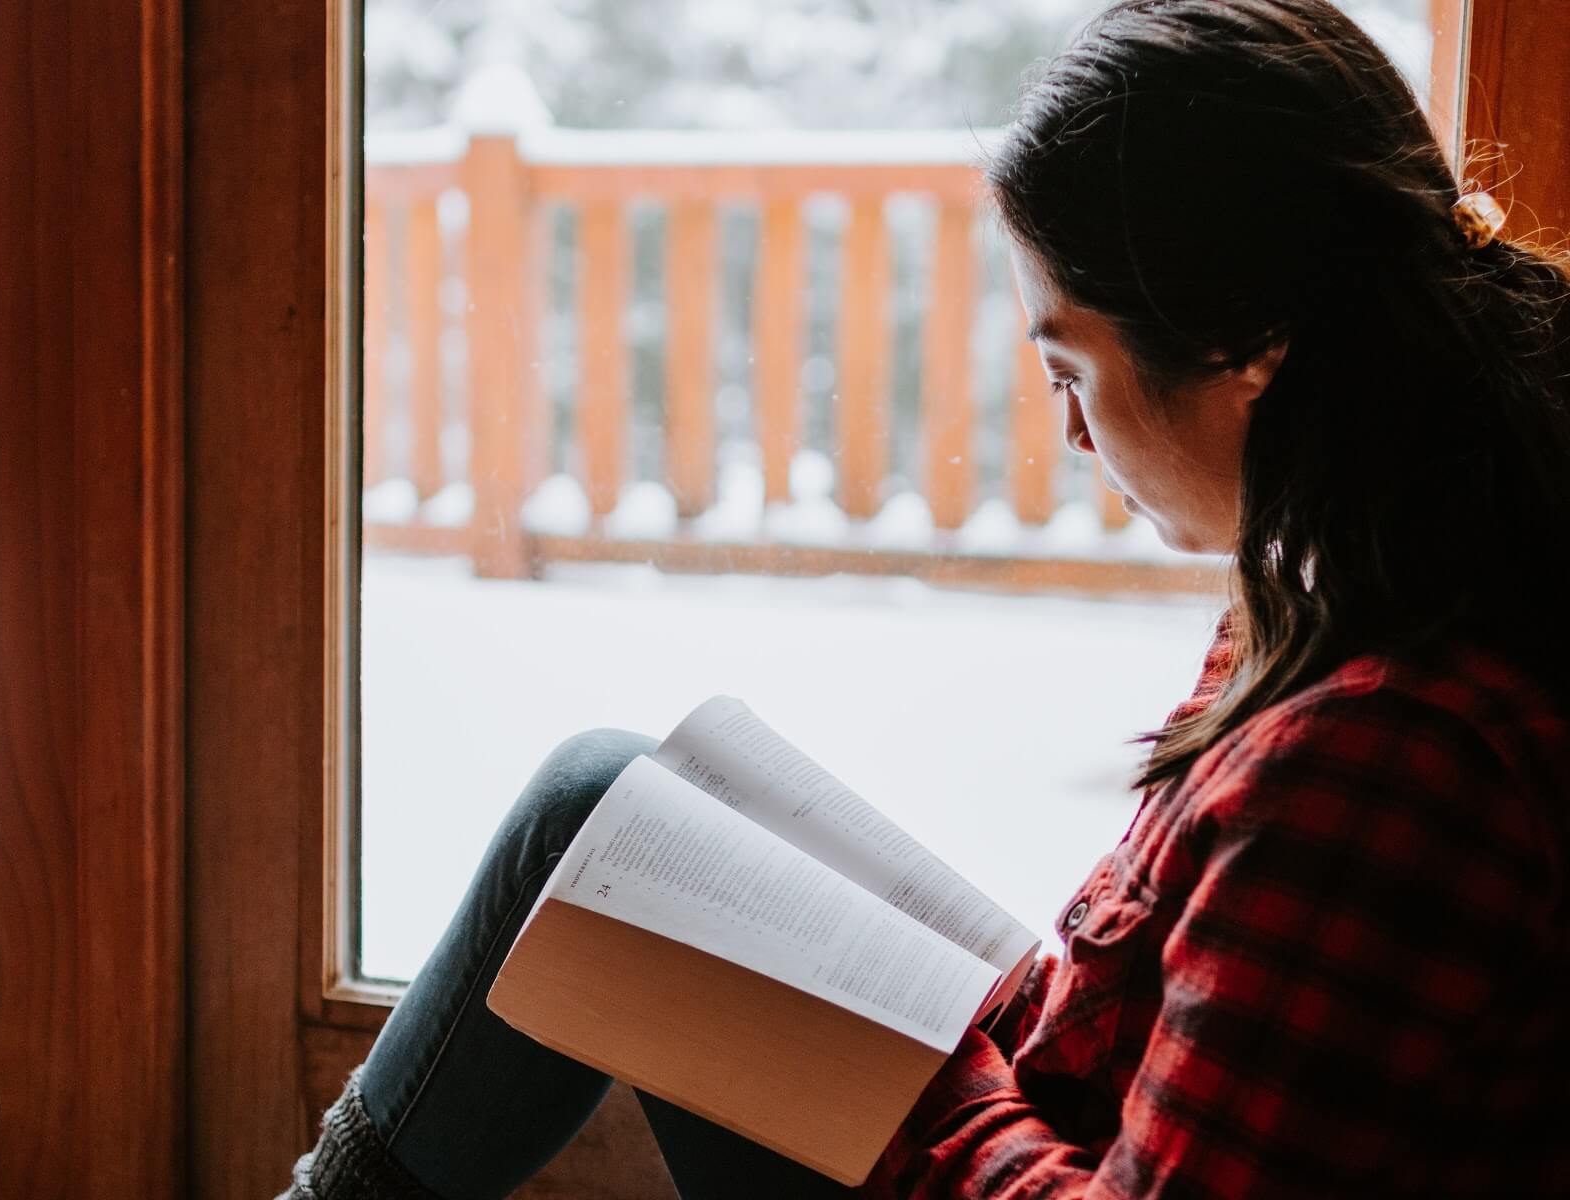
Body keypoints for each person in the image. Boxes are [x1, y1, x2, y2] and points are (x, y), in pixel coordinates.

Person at [282, 0, 1570, 1195]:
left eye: (1070, 366)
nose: (1070, 435)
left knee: (594, 833)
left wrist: (905, 1065)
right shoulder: (1366, 583)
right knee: (614, 808)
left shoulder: (1387, 757)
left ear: (1246, 343)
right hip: (1050, 1120)